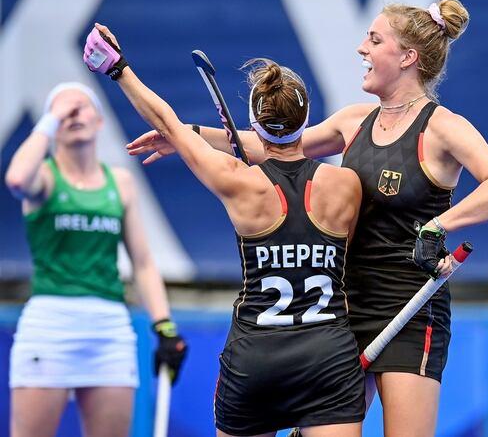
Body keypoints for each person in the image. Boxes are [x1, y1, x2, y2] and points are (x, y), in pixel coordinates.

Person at [128, 0, 488, 436]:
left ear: (408, 57)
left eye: (374, 40)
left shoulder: (444, 126)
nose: (362, 49)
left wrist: (439, 226)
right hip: (343, 307)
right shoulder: (355, 120)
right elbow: (277, 144)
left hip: (410, 309)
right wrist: (186, 135)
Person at [84, 24, 365, 437]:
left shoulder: (238, 181)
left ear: (254, 121)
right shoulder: (347, 185)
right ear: (306, 119)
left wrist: (118, 68)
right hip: (328, 358)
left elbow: (169, 124)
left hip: (256, 359)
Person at [4, 81, 187, 437]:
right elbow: (15, 177)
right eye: (62, 109)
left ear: (100, 121)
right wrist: (51, 119)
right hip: (50, 324)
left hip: (109, 329)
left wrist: (164, 326)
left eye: (82, 106)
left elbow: (143, 263)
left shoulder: (119, 183)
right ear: (51, 125)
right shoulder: (44, 178)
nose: (73, 112)